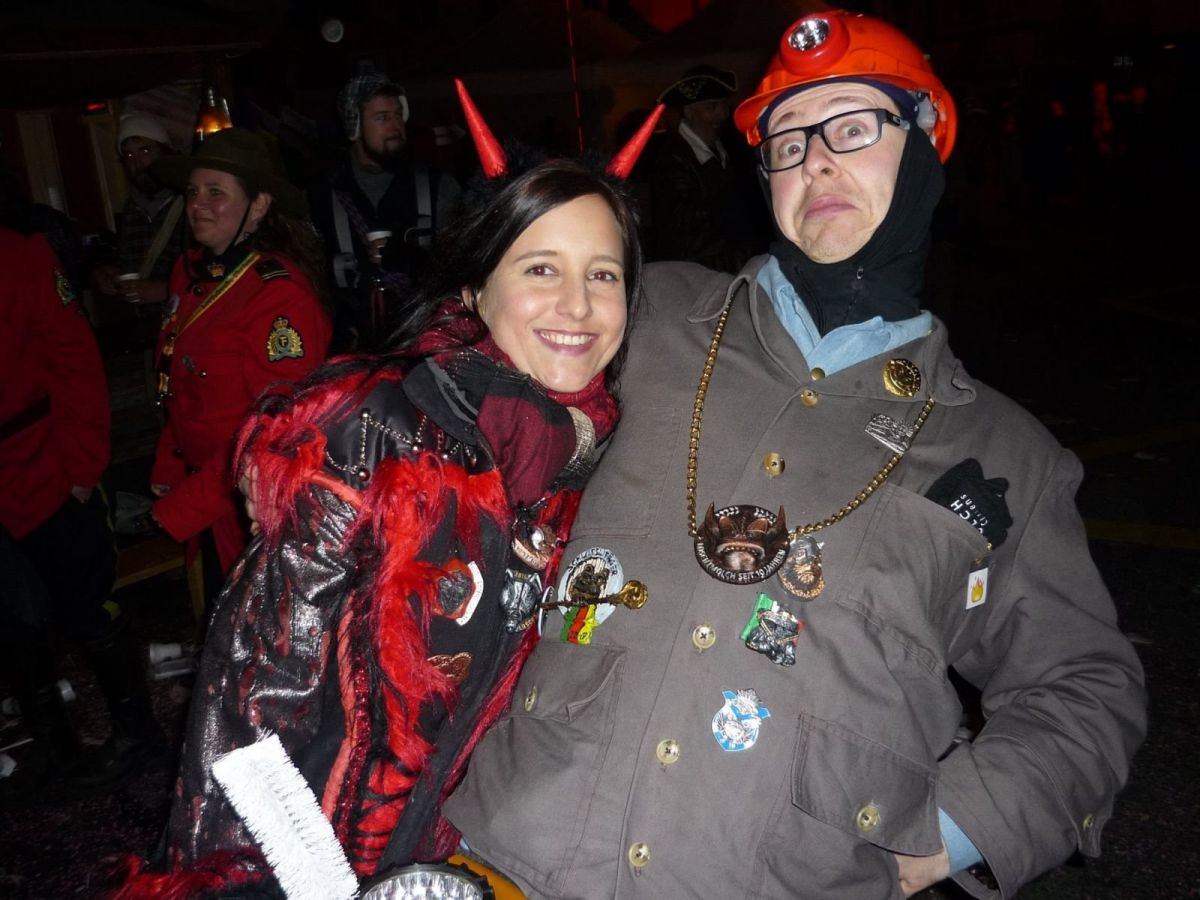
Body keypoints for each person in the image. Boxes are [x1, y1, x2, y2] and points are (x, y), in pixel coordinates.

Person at [445, 11, 1147, 899]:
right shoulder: (641, 315)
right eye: (788, 141)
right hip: (509, 863)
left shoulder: (1007, 454)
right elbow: (454, 396)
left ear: (927, 143)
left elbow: (1086, 685)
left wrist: (951, 832)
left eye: (852, 128)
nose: (815, 160)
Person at [112, 87, 659, 897]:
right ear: (474, 289)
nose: (577, 305)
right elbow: (253, 697)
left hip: (474, 851)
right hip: (320, 857)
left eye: (602, 274)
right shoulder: (379, 430)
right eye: (540, 267)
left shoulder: (604, 458)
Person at [0, 225, 162, 795]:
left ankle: (137, 736)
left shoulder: (21, 255)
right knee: (14, 621)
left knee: (86, 605)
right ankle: (52, 747)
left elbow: (74, 358)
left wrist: (83, 465)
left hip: (44, 464)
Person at [147, 127, 331, 598]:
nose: (198, 205)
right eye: (193, 192)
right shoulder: (189, 275)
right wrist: (170, 467)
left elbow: (278, 429)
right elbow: (178, 383)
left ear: (260, 205)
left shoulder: (278, 295)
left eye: (216, 193)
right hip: (202, 494)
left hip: (247, 506)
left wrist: (185, 506)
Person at [308, 73, 462, 351]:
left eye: (398, 115)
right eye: (382, 117)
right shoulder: (321, 196)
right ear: (355, 126)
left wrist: (413, 260)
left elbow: (463, 266)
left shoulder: (438, 186)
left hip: (424, 346)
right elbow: (310, 276)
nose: (395, 126)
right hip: (354, 351)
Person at [651, 64, 761, 271]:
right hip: (697, 278)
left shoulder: (729, 147)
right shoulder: (672, 160)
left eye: (724, 106)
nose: (722, 115)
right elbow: (688, 238)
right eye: (712, 107)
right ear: (689, 112)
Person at [92, 113, 187, 337]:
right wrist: (112, 275)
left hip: (188, 322)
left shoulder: (193, 202)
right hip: (150, 329)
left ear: (165, 151)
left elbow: (216, 269)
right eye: (129, 155)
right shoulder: (132, 209)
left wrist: (166, 289)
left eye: (145, 150)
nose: (137, 162)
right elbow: (133, 263)